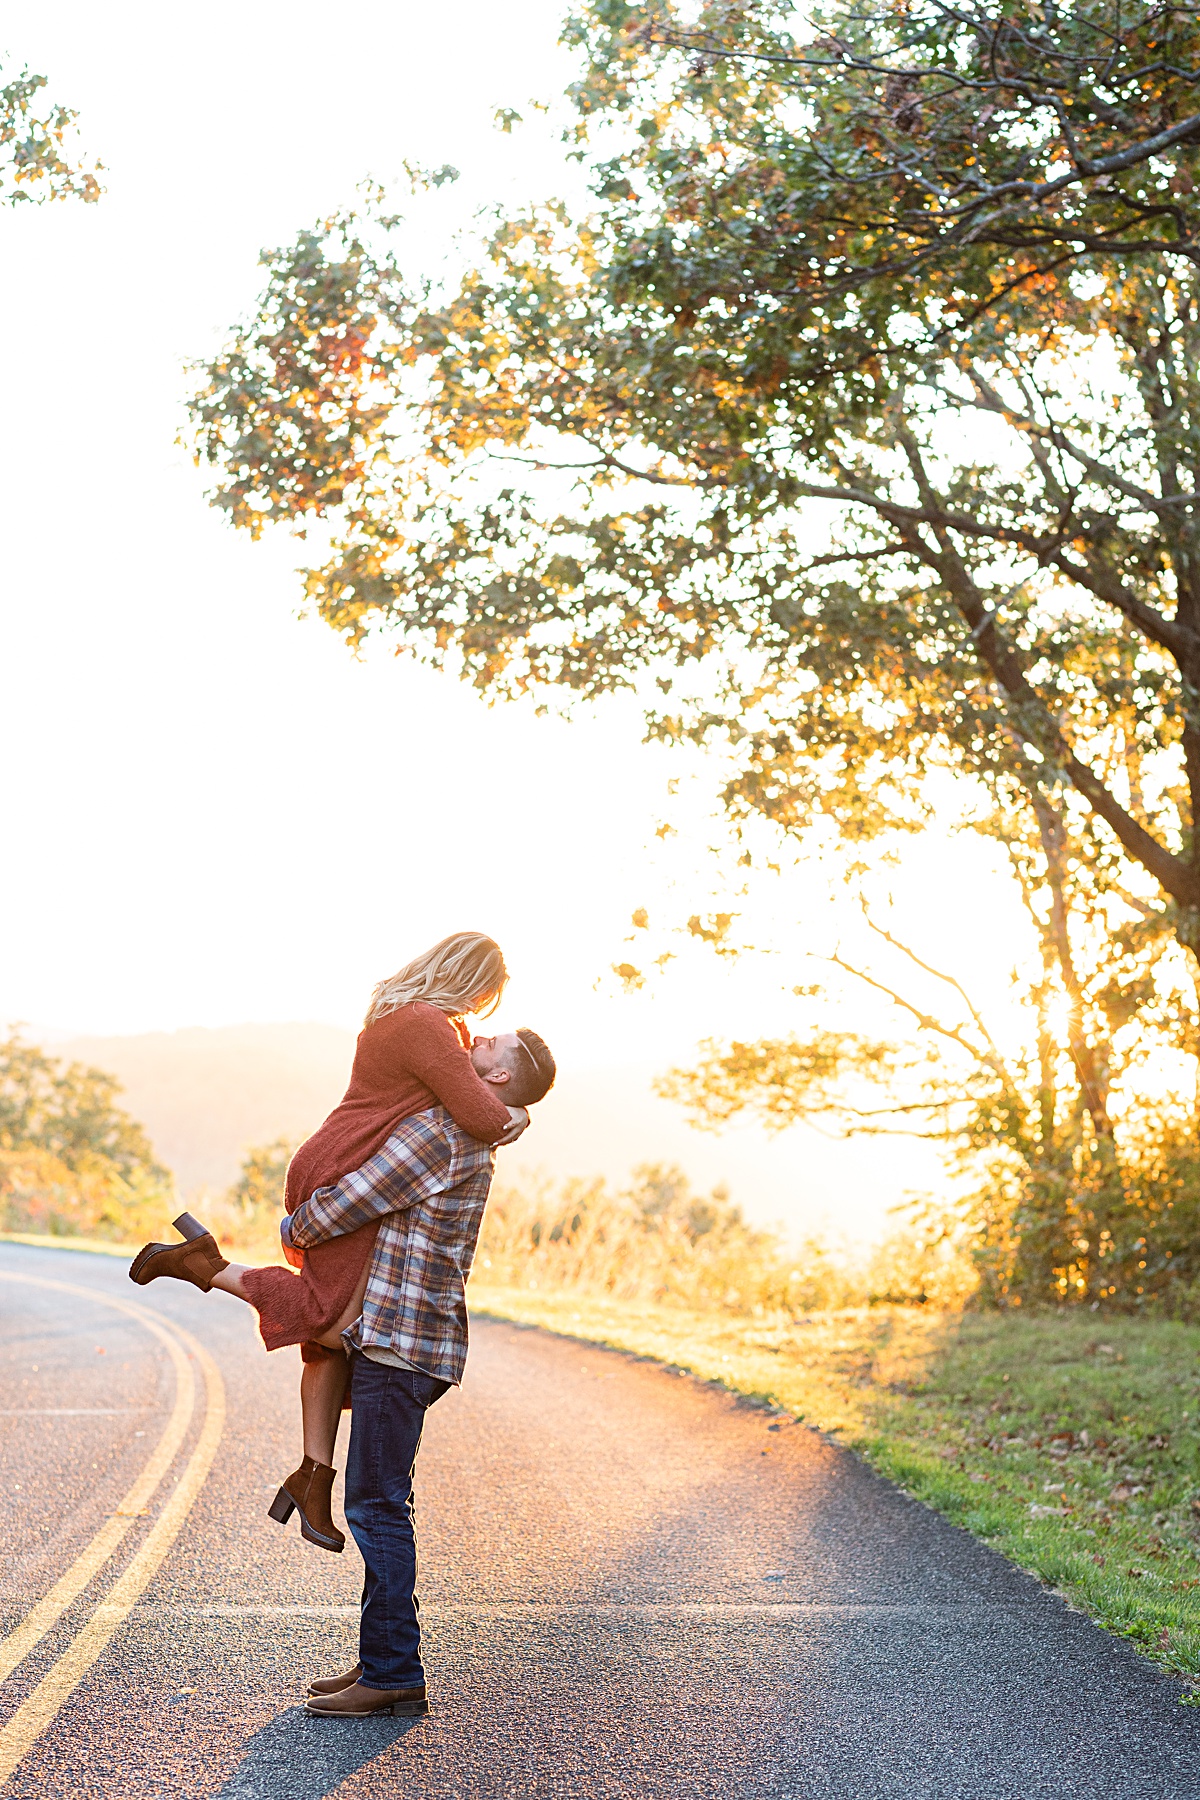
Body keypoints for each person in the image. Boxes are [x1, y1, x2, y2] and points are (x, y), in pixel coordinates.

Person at [128, 932, 535, 1545]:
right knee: (327, 1321)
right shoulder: (426, 1025)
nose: (479, 1016)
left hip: (343, 1157)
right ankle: (204, 1264)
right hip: (343, 1167)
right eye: (484, 998)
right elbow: (483, 1118)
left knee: (333, 1343)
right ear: (468, 979)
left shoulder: (413, 1018)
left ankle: (314, 1473)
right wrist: (521, 1115)